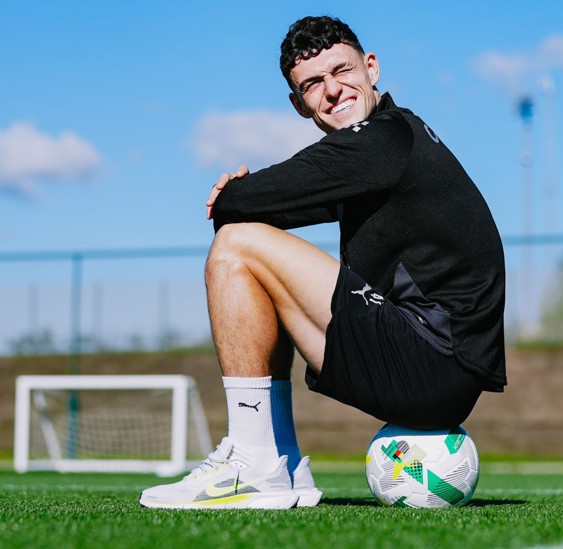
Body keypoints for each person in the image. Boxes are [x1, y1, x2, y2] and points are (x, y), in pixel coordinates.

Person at [139, 15, 506, 509]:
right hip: (439, 369)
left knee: (237, 244)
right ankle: (280, 462)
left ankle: (253, 463)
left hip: (432, 362)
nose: (333, 90)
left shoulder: (383, 139)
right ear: (298, 104)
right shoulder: (387, 147)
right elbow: (276, 202)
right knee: (252, 252)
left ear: (371, 68)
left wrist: (237, 196)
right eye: (313, 84)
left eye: (342, 70)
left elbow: (239, 207)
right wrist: (246, 200)